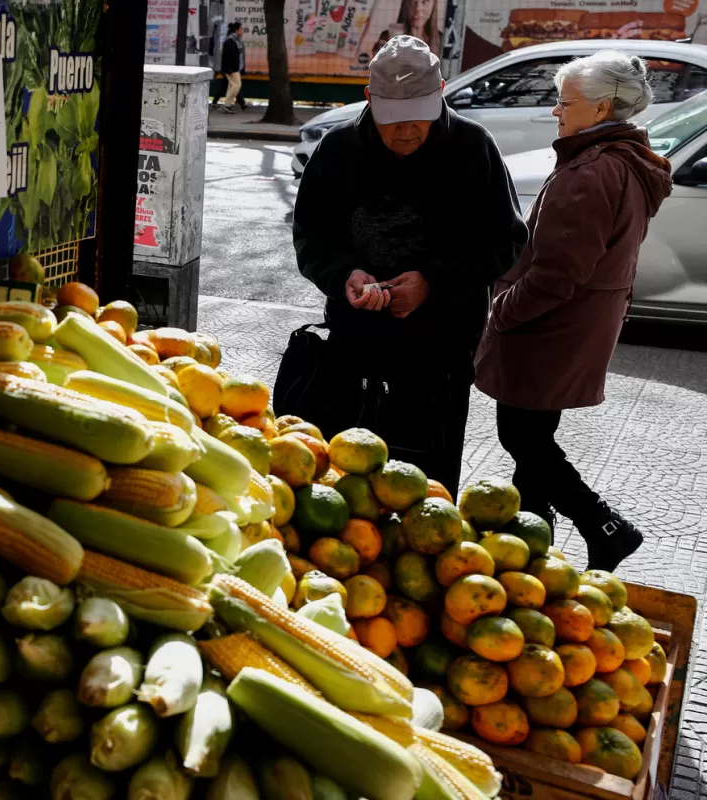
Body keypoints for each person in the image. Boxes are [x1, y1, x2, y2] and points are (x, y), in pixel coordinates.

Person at [281, 35, 528, 493]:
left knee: (426, 489)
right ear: (369, 99)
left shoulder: (473, 147)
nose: (408, 131)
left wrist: (433, 283)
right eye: (394, 120)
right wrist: (345, 276)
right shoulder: (337, 151)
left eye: (420, 117)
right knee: (345, 485)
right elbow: (311, 238)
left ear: (441, 95)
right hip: (353, 348)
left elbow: (506, 240)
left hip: (441, 353)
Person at [475, 51, 672, 571]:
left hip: (550, 330)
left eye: (566, 102)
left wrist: (503, 311)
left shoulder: (592, 172)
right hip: (574, 328)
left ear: (603, 106)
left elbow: (556, 274)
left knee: (522, 437)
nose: (557, 111)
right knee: (532, 438)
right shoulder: (620, 160)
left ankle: (605, 527)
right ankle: (531, 543)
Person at [362, 0, 439, 60]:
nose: (418, 9)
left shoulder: (442, 40)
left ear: (434, 4)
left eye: (425, 1)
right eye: (412, 1)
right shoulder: (388, 37)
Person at [217, 22, 245, 113]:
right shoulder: (230, 41)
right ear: (236, 30)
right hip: (232, 68)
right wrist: (228, 69)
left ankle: (227, 105)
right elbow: (227, 56)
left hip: (235, 68)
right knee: (237, 85)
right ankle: (227, 104)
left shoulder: (235, 40)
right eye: (241, 29)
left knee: (232, 86)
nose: (242, 31)